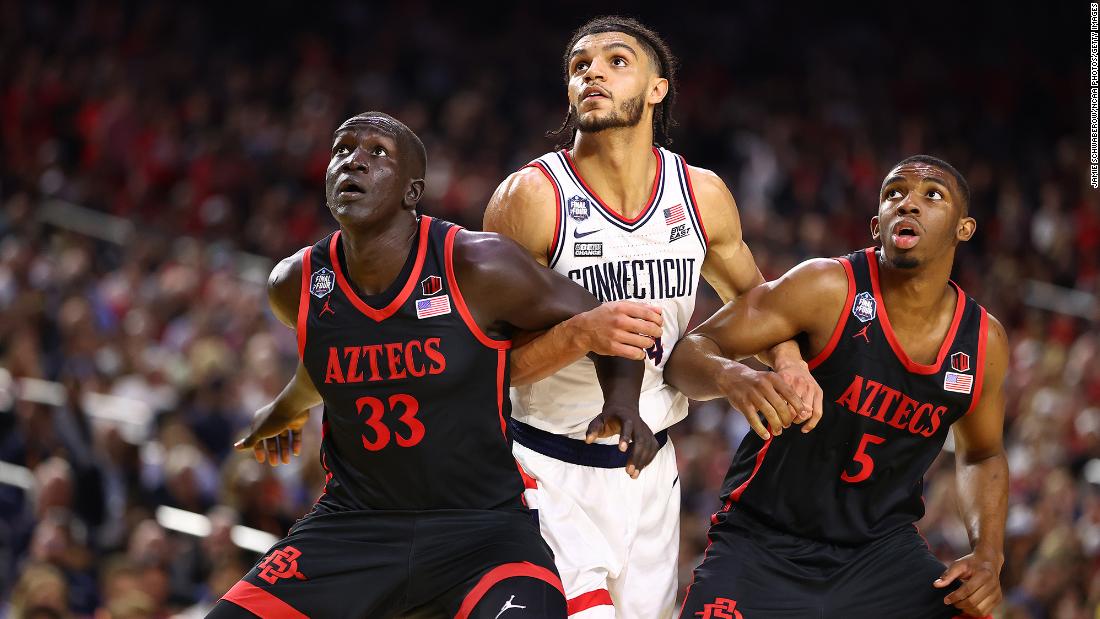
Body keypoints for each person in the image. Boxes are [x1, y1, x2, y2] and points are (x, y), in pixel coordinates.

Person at [206, 111, 662, 619]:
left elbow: (609, 322)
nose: (352, 161)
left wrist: (623, 401)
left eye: (377, 153)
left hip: (480, 531)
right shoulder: (295, 284)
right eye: (341, 150)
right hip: (354, 527)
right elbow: (331, 363)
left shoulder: (477, 265)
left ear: (411, 191)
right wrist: (286, 407)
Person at [483, 16, 822, 618]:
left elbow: (759, 302)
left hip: (650, 473)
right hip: (542, 467)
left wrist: (790, 363)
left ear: (659, 87)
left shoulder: (700, 194)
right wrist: (580, 334)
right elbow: (477, 364)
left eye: (616, 61)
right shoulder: (531, 198)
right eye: (580, 65)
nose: (592, 72)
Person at [668, 155, 1007, 619]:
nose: (908, 203)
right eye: (893, 193)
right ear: (876, 225)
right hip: (765, 543)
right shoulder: (827, 287)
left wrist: (988, 554)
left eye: (932, 195)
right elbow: (687, 353)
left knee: (973, 609)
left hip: (880, 556)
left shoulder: (983, 342)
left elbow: (982, 453)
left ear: (963, 229)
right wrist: (736, 377)